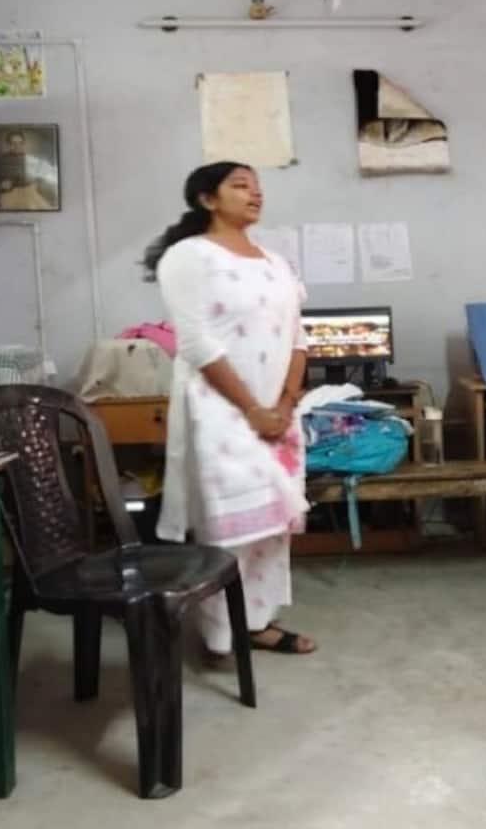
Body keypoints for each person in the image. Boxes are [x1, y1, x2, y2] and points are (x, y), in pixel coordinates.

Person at [146, 162, 315, 657]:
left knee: (272, 526)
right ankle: (220, 633)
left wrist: (284, 403)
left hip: (277, 417)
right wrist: (252, 409)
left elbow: (298, 338)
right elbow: (196, 342)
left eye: (257, 187)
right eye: (240, 186)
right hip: (220, 414)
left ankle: (256, 622)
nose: (254, 194)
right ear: (207, 199)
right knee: (229, 528)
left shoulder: (276, 263)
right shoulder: (189, 256)